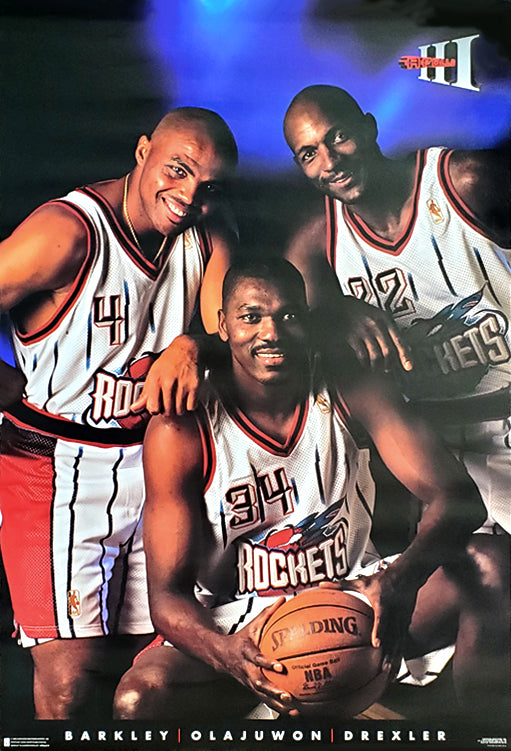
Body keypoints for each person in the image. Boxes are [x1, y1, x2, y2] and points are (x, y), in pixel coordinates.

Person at [113, 258, 508, 723]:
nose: (271, 333)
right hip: (240, 618)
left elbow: (456, 498)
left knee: (493, 564)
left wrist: (400, 580)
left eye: (288, 316)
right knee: (139, 701)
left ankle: (478, 733)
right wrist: (226, 654)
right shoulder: (181, 431)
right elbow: (167, 599)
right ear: (222, 324)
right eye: (251, 316)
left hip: (350, 597)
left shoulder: (348, 387)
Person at [0, 106, 238, 720]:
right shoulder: (68, 232)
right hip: (56, 468)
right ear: (142, 152)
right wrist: (10, 391)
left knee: (147, 663)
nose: (189, 196)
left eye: (209, 186)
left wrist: (194, 345)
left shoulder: (211, 235)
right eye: (178, 170)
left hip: (157, 463)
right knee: (70, 678)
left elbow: (234, 337)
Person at [283, 84, 510, 537]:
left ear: (369, 127)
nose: (330, 162)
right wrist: (332, 314)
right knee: (471, 585)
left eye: (339, 137)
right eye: (309, 155)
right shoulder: (315, 244)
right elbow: (286, 333)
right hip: (436, 451)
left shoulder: (463, 181)